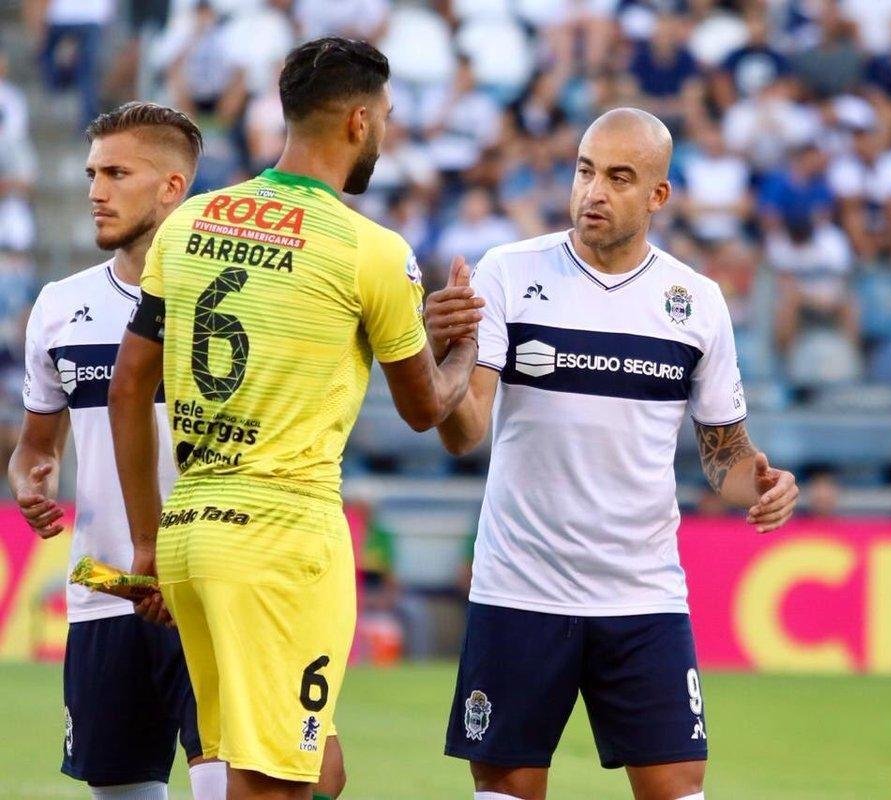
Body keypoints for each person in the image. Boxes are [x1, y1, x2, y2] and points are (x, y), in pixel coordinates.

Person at [108, 38, 478, 800]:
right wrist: (464, 345)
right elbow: (425, 410)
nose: (385, 133)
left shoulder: (191, 222)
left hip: (191, 529)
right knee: (271, 781)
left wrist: (147, 539)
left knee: (312, 766)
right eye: (385, 118)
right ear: (357, 122)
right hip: (283, 535)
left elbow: (127, 388)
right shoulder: (369, 249)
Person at [428, 107, 799, 800]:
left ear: (658, 195)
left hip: (642, 591)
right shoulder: (509, 272)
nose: (593, 192)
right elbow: (464, 430)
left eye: (619, 178)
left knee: (679, 787)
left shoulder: (696, 302)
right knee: (506, 787)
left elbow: (724, 455)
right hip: (521, 586)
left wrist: (764, 485)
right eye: (585, 171)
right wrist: (442, 358)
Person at [9, 101, 227, 800]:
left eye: (116, 174)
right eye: (91, 174)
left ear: (171, 187)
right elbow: (36, 445)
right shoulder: (59, 305)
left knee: (231, 786)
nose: (96, 192)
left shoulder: (233, 301)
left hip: (214, 589)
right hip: (109, 590)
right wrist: (32, 480)